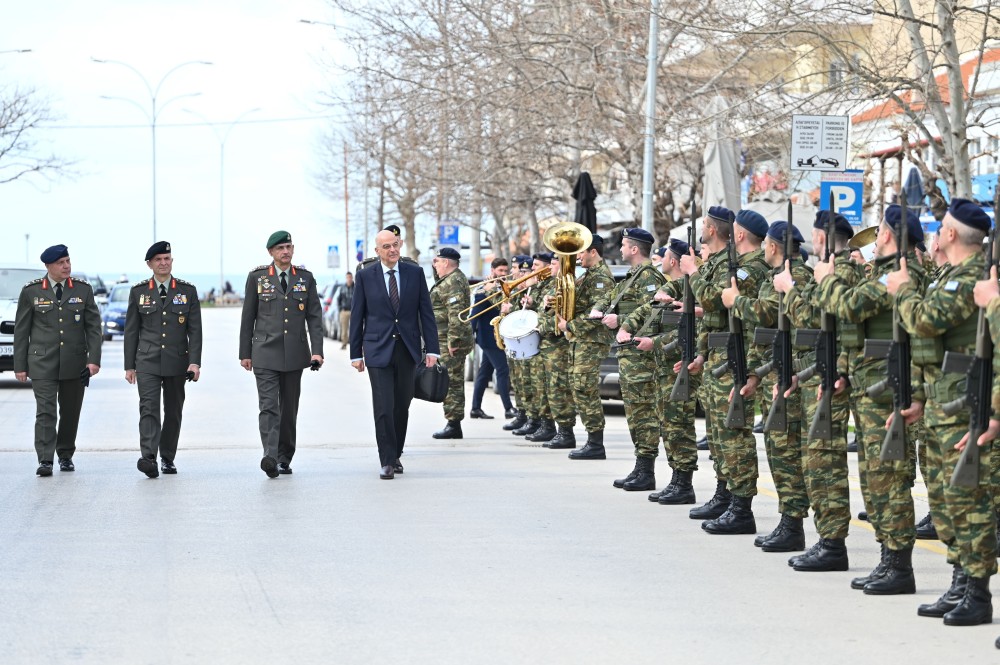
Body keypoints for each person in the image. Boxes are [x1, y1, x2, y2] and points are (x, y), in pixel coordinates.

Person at [887, 198, 997, 626]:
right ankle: (959, 580)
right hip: (940, 401)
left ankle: (977, 590)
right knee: (946, 500)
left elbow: (926, 323)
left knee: (971, 500)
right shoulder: (948, 275)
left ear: (950, 234)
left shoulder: (970, 278)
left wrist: (904, 290)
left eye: (940, 229)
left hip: (965, 403)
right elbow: (924, 347)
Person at [811, 205, 928, 593]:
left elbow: (849, 306)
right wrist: (845, 368)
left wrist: (826, 279)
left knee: (888, 478)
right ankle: (887, 559)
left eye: (878, 231)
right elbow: (856, 325)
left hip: (890, 388)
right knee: (875, 477)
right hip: (871, 385)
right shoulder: (885, 271)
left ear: (890, 235)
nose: (873, 238)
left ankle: (899, 566)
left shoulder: (901, 274)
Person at [679, 207, 768, 531]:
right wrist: (702, 353)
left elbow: (714, 301)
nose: (703, 229)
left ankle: (741, 507)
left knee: (735, 436)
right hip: (719, 356)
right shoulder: (725, 263)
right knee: (719, 434)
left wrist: (692, 271)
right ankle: (725, 493)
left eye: (705, 225)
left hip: (737, 357)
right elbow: (714, 319)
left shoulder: (749, 267)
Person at [723, 218, 811, 550]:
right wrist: (755, 373)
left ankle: (793, 525)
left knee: (786, 451)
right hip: (773, 370)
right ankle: (788, 522)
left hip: (789, 375)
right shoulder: (778, 277)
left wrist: (735, 301)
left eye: (766, 246)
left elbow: (766, 313)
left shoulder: (796, 278)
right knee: (777, 449)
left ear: (773, 246)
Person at [350, 229, 439, 479]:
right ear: (377, 251)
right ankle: (387, 460)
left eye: (396, 245)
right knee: (384, 406)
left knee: (402, 405)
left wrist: (432, 349)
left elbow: (426, 313)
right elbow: (357, 316)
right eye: (386, 246)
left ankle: (396, 452)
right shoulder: (366, 276)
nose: (392, 250)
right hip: (377, 350)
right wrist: (355, 353)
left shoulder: (415, 273)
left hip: (407, 350)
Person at [239, 231, 324, 478]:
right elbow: (248, 317)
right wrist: (245, 352)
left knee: (289, 409)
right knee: (268, 407)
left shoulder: (305, 278)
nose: (285, 252)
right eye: (280, 248)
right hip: (264, 352)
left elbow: (314, 317)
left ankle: (285, 457)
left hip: (295, 354)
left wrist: (316, 352)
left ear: (293, 249)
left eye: (288, 247)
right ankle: (270, 456)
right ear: (271, 253)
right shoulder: (258, 277)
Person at [13, 244, 102, 476]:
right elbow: (22, 331)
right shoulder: (31, 291)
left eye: (68, 261)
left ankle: (65, 454)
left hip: (75, 363)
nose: (67, 266)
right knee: (45, 410)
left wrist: (94, 360)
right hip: (42, 363)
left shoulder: (83, 290)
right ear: (48, 266)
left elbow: (93, 327)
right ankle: (45, 459)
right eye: (61, 263)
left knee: (71, 411)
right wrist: (20, 366)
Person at [592, 227, 666, 490]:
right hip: (629, 356)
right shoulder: (633, 277)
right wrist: (599, 310)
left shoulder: (649, 277)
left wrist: (620, 320)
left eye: (624, 245)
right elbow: (610, 298)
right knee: (635, 414)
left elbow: (656, 314)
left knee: (644, 413)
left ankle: (647, 471)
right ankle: (641, 466)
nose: (620, 249)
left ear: (635, 249)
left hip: (641, 357)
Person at [123, 241, 203, 478]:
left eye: (167, 258)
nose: (163, 263)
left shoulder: (187, 291)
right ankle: (148, 457)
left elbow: (195, 330)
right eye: (158, 259)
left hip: (178, 361)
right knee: (149, 408)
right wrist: (130, 366)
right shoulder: (139, 292)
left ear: (172, 261)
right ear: (150, 264)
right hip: (147, 360)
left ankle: (167, 457)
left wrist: (195, 362)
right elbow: (131, 331)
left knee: (173, 410)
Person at [561, 235, 614, 457]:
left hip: (591, 341)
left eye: (581, 252)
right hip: (581, 341)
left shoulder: (602, 278)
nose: (578, 257)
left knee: (586, 389)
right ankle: (592, 440)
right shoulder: (589, 276)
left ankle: (595, 444)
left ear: (593, 252)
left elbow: (596, 315)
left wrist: (570, 324)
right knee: (579, 389)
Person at [430, 247, 474, 439]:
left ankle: (454, 424)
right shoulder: (449, 279)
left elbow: (456, 314)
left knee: (452, 382)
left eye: (438, 262)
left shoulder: (454, 281)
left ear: (446, 263)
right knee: (450, 381)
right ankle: (452, 422)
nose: (436, 265)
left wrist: (453, 341)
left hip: (450, 341)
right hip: (444, 338)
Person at [469, 258, 515, 420]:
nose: (503, 274)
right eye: (500, 271)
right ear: (492, 270)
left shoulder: (505, 287)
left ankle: (475, 408)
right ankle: (509, 408)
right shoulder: (484, 288)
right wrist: (470, 337)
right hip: (488, 338)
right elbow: (474, 314)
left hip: (500, 336)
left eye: (505, 271)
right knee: (502, 370)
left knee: (484, 373)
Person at [338, 271, 355, 350]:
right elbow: (339, 299)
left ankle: (354, 344)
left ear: (352, 278)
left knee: (355, 329)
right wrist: (340, 309)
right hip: (344, 311)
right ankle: (344, 344)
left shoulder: (356, 287)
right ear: (346, 278)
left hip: (354, 311)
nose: (349, 279)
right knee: (344, 329)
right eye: (347, 277)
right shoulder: (342, 287)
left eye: (350, 277)